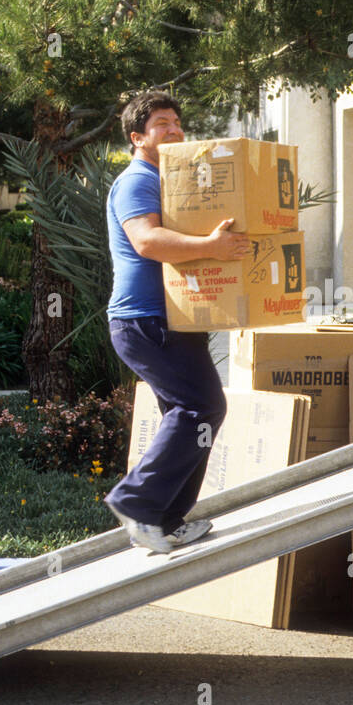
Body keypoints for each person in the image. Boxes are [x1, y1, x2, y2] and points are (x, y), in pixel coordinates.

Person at [103, 90, 251, 552]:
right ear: (137, 137)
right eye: (161, 124)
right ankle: (138, 503)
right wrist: (211, 247)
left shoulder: (170, 179)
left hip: (170, 318)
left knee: (191, 412)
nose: (174, 130)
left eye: (176, 122)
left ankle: (164, 521)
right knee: (201, 408)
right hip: (145, 320)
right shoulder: (137, 181)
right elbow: (147, 241)